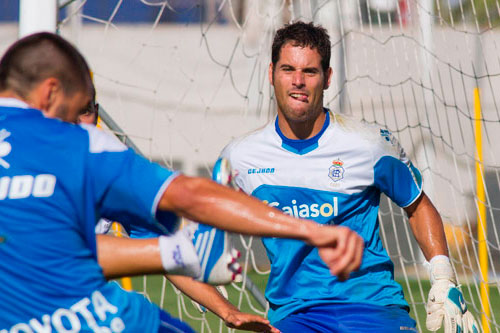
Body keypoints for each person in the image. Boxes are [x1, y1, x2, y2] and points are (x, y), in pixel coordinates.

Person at [0, 32, 363, 332]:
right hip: (78, 316)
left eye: (91, 112)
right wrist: (312, 231)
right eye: (75, 109)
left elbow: (52, 249)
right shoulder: (75, 144)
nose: (85, 123)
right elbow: (188, 194)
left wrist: (223, 306)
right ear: (49, 93)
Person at [212, 21, 478, 333]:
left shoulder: (369, 144)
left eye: (310, 72)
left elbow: (416, 205)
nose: (298, 81)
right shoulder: (240, 157)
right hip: (295, 317)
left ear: (327, 78)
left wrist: (443, 277)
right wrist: (207, 267)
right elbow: (202, 212)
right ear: (271, 74)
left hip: (374, 309)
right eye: (288, 69)